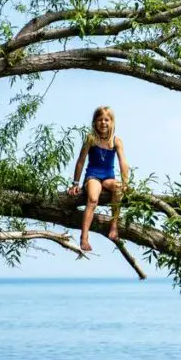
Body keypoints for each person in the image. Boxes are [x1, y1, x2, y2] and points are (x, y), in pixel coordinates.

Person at [67, 106, 129, 252]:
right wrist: (75, 183)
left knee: (118, 188)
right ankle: (84, 236)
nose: (103, 123)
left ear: (112, 122)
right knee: (93, 198)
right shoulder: (91, 139)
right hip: (93, 175)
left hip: (108, 177)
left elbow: (123, 163)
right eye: (100, 119)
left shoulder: (116, 141)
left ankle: (114, 226)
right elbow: (81, 161)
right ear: (95, 122)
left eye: (106, 120)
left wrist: (126, 182)